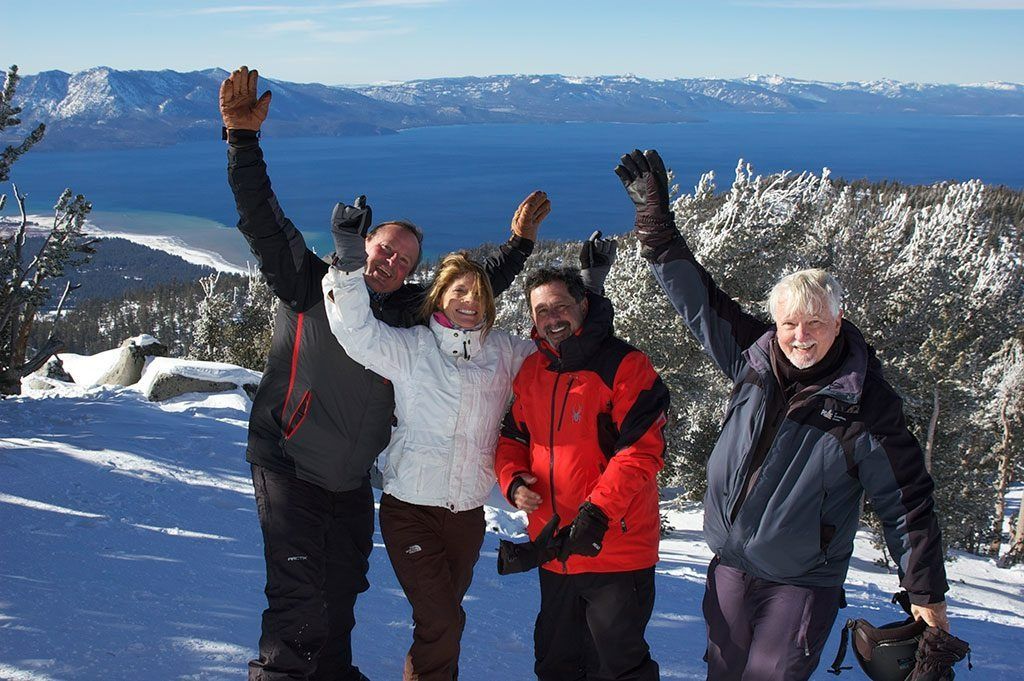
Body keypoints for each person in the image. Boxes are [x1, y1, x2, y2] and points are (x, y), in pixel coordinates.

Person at [220, 65, 544, 681]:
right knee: (298, 590)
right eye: (384, 249)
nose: (392, 262)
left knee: (341, 585)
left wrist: (518, 246)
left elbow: (466, 294)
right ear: (362, 245)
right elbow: (262, 219)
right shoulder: (308, 283)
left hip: (349, 479)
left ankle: (332, 673)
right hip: (290, 458)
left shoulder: (404, 313)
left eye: (404, 260)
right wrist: (242, 141)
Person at [613, 148, 951, 681]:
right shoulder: (753, 359)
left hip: (800, 580)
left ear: (839, 322)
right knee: (723, 671)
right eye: (790, 323)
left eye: (815, 322)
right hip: (729, 565)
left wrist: (927, 591)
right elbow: (696, 299)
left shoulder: (865, 405)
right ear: (775, 324)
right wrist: (656, 227)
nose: (801, 335)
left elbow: (906, 503)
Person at [321, 204, 616, 679]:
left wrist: (591, 286)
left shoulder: (505, 354)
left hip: (467, 518)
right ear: (440, 297)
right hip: (410, 511)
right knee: (442, 619)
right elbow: (356, 330)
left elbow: (566, 345)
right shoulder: (413, 348)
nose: (469, 301)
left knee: (443, 623)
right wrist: (350, 258)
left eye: (478, 294)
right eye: (459, 291)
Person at [495, 267, 670, 681]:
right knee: (556, 663)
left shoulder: (625, 365)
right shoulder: (533, 371)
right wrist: (514, 481)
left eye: (561, 306)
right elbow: (511, 438)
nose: (552, 318)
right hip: (554, 550)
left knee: (617, 667)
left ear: (583, 305)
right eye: (541, 311)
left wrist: (596, 512)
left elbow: (641, 451)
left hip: (615, 548)